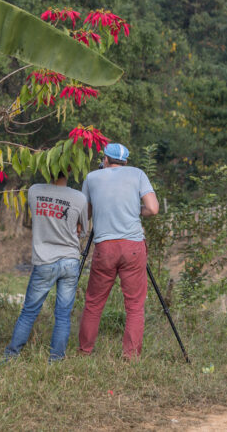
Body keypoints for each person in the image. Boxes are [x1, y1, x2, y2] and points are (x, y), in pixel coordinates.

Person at [78, 142, 159, 360]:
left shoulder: (92, 177)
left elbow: (84, 214)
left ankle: (85, 351)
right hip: (133, 245)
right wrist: (134, 210)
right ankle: (130, 355)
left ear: (105, 159)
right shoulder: (137, 174)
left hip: (105, 246)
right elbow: (152, 209)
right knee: (134, 304)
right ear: (126, 162)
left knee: (94, 302)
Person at [3, 168, 89, 362]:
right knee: (63, 315)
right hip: (70, 260)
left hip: (44, 261)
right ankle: (56, 358)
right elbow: (83, 230)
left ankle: (11, 356)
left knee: (29, 312)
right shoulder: (79, 197)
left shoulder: (35, 190)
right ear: (69, 170)